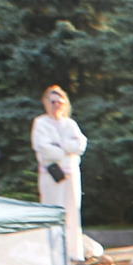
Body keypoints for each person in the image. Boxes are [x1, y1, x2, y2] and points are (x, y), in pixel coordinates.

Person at [28, 85, 86, 228]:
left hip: (70, 174)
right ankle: (52, 248)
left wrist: (60, 144)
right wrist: (65, 150)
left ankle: (72, 249)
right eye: (52, 102)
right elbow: (42, 147)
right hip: (51, 174)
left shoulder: (70, 123)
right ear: (46, 103)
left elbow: (80, 145)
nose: (56, 105)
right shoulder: (40, 123)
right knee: (52, 211)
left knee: (72, 211)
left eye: (59, 102)